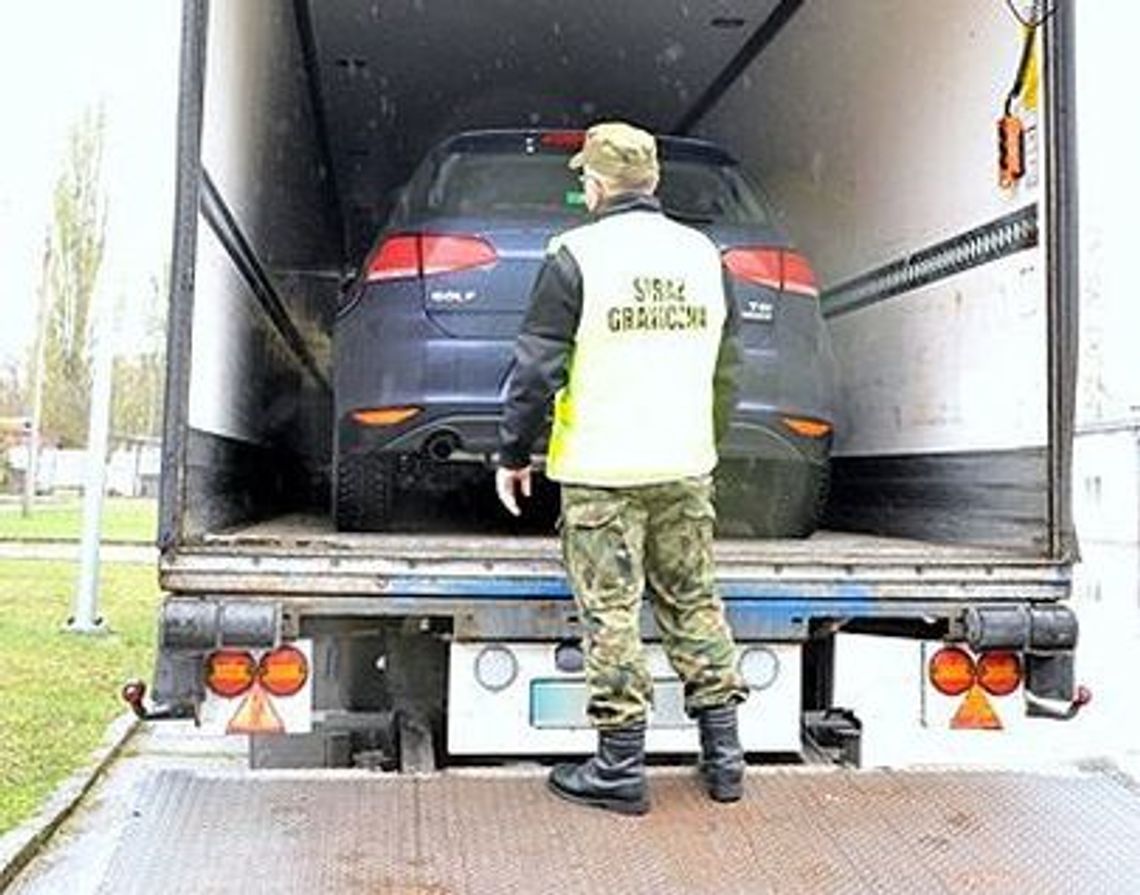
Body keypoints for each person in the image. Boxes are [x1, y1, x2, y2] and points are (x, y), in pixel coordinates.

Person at [496, 121, 749, 816]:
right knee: (694, 602)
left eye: (585, 177)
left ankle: (618, 766)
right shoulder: (704, 255)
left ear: (598, 185)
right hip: (683, 465)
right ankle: (725, 759)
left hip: (604, 472)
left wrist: (514, 452)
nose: (584, 186)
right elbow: (729, 369)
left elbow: (535, 369)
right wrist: (706, 443)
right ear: (656, 182)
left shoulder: (575, 254)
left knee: (612, 613)